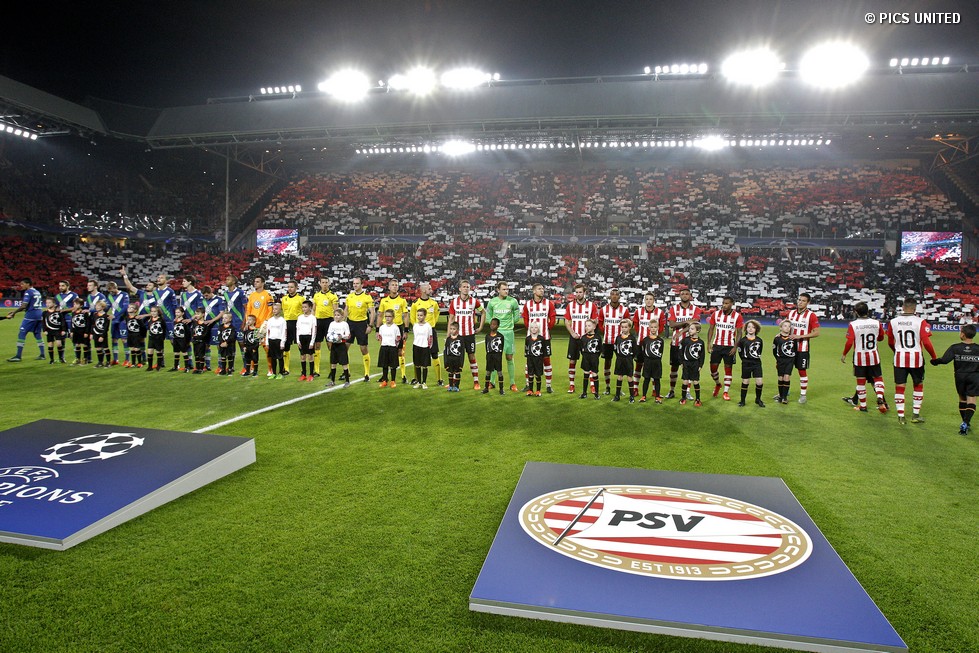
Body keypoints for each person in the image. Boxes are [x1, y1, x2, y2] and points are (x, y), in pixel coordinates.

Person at [886, 297, 937, 424]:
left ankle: (901, 416)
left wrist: (896, 351)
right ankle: (915, 415)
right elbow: (926, 342)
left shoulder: (893, 322)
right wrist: (933, 356)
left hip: (900, 358)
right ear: (915, 309)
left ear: (903, 307)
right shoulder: (920, 322)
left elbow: (890, 342)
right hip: (916, 359)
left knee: (900, 387)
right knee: (918, 385)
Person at [930, 323, 979, 435]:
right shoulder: (978, 348)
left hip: (960, 376)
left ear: (963, 334)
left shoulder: (955, 347)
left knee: (962, 399)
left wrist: (934, 361)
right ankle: (966, 422)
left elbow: (944, 360)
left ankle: (964, 422)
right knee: (971, 400)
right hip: (974, 376)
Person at [841, 302, 887, 414]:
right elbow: (881, 337)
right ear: (868, 311)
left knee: (861, 382)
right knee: (877, 379)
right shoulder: (876, 323)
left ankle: (863, 406)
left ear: (856, 312)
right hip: (873, 356)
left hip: (860, 357)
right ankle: (880, 397)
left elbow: (850, 341)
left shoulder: (853, 324)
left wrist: (844, 354)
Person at [448, 279, 485, 390]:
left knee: (471, 356)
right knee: (455, 358)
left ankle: (476, 382)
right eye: (464, 287)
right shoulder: (454, 302)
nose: (466, 288)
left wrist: (480, 327)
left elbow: (483, 312)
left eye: (467, 287)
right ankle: (453, 382)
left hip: (469, 335)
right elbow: (451, 319)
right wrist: (448, 335)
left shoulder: (474, 301)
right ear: (460, 288)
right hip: (457, 335)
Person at [666, 288, 702, 399]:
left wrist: (681, 330)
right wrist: (686, 322)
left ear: (690, 296)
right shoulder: (674, 309)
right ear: (679, 296)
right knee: (674, 368)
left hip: (690, 345)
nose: (685, 295)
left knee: (688, 369)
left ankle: (687, 392)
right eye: (682, 294)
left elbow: (694, 323)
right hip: (676, 343)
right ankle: (671, 391)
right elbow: (671, 324)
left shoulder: (696, 309)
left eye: (687, 294)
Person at [565, 283, 601, 394]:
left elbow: (595, 321)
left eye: (580, 292)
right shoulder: (570, 305)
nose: (578, 294)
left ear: (585, 293)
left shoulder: (591, 305)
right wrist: (572, 333)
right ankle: (572, 385)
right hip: (575, 337)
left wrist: (589, 332)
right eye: (577, 292)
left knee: (589, 361)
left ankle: (592, 385)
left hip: (588, 339)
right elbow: (567, 321)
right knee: (572, 360)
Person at [485, 281, 521, 392]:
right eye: (504, 289)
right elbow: (488, 316)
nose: (506, 291)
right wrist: (494, 326)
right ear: (498, 290)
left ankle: (512, 383)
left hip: (509, 333)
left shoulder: (513, 301)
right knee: (495, 358)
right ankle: (492, 382)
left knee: (509, 357)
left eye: (507, 289)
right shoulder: (492, 302)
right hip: (497, 334)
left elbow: (517, 316)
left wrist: (511, 323)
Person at [521, 283, 557, 393]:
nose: (542, 290)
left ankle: (548, 386)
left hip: (545, 338)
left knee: (546, 360)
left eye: (542, 289)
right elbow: (526, 321)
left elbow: (552, 319)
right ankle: (528, 384)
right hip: (531, 338)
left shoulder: (549, 304)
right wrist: (532, 331)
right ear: (534, 291)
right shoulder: (528, 304)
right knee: (529, 361)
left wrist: (546, 328)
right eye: (539, 289)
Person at [707, 296, 744, 401]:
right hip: (717, 345)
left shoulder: (737, 316)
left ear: (732, 304)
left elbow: (739, 333)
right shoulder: (715, 314)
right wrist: (709, 343)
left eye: (727, 303)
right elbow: (711, 329)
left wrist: (735, 347)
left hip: (729, 346)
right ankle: (718, 384)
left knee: (728, 369)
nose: (724, 305)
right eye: (723, 303)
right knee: (713, 369)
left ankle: (726, 392)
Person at [786, 292, 820, 404]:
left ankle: (803, 395)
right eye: (799, 300)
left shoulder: (811, 315)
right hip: (789, 347)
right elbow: (786, 327)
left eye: (803, 301)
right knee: (786, 370)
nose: (800, 302)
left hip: (802, 348)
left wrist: (800, 336)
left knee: (802, 371)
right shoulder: (791, 313)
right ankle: (784, 392)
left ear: (808, 303)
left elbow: (816, 333)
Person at [632, 291, 667, 401]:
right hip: (640, 343)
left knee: (654, 366)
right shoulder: (638, 311)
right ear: (644, 300)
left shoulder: (659, 312)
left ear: (654, 300)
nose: (648, 301)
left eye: (650, 299)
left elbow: (661, 327)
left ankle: (654, 390)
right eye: (646, 299)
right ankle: (635, 388)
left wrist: (655, 337)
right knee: (638, 366)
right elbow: (636, 325)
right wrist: (641, 336)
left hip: (654, 344)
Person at [377, 278, 411, 384]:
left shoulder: (402, 301)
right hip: (386, 329)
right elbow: (380, 315)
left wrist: (406, 330)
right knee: (385, 352)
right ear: (389, 287)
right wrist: (377, 330)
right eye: (393, 285)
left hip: (398, 328)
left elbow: (406, 316)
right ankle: (385, 377)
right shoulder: (384, 301)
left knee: (400, 352)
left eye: (396, 285)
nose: (395, 287)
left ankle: (403, 375)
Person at [5, 278, 45, 362]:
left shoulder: (28, 292)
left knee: (22, 333)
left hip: (31, 316)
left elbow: (24, 306)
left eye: (22, 284)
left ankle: (18, 356)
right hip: (39, 315)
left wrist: (14, 312)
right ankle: (42, 354)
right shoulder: (36, 291)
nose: (21, 286)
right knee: (37, 334)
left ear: (28, 284)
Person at [344, 276, 376, 383]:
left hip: (362, 324)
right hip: (350, 324)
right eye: (354, 283)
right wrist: (342, 323)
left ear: (362, 285)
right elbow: (346, 310)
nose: (355, 285)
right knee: (345, 348)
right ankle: (346, 371)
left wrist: (370, 325)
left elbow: (372, 312)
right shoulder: (350, 296)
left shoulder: (367, 297)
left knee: (363, 349)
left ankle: (367, 373)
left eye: (357, 283)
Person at [410, 282, 442, 386]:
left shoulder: (434, 303)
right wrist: (419, 327)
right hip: (420, 332)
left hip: (431, 330)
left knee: (434, 354)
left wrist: (431, 324)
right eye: (429, 288)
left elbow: (436, 315)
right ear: (423, 290)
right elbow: (412, 318)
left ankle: (439, 379)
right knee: (418, 356)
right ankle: (417, 379)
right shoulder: (416, 304)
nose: (431, 290)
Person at [600, 288, 630, 395]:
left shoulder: (624, 310)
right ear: (610, 296)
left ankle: (619, 389)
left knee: (621, 364)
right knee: (607, 363)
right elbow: (600, 323)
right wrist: (605, 332)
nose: (614, 296)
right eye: (612, 294)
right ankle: (607, 387)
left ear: (619, 296)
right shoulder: (604, 309)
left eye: (616, 294)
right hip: (607, 341)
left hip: (620, 342)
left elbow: (628, 324)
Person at [247, 275, 276, 374]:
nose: (255, 283)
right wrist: (248, 322)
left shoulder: (267, 295)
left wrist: (266, 321)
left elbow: (270, 310)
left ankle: (270, 368)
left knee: (266, 348)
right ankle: (252, 368)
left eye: (257, 282)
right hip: (253, 327)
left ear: (263, 283)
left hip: (263, 326)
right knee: (252, 348)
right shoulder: (252, 295)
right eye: (255, 281)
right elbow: (248, 310)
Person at [312, 277, 339, 378]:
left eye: (326, 282)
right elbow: (313, 310)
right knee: (317, 345)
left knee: (330, 346)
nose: (324, 284)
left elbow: (336, 311)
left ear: (329, 283)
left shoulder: (333, 296)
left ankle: (332, 370)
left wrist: (336, 324)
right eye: (323, 282)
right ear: (320, 283)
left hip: (329, 322)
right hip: (318, 321)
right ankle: (316, 370)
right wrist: (312, 321)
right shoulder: (316, 295)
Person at [737, 319, 765, 408]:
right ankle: (742, 401)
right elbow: (740, 352)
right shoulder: (742, 341)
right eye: (749, 327)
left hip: (756, 363)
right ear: (746, 328)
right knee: (745, 382)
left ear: (756, 329)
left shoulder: (759, 340)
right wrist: (745, 360)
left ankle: (758, 399)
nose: (750, 329)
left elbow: (760, 351)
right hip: (746, 363)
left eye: (753, 327)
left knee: (759, 382)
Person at [280, 280, 305, 377]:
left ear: (296, 288)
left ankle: (303, 370)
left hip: (298, 323)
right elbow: (283, 311)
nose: (290, 289)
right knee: (286, 346)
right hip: (287, 323)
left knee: (301, 346)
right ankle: (286, 368)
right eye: (288, 287)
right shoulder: (284, 299)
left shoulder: (301, 299)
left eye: (292, 287)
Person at [679, 322, 706, 406]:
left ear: (698, 330)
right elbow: (680, 351)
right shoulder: (685, 340)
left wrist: (700, 365)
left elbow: (702, 355)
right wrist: (681, 362)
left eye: (692, 329)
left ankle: (698, 399)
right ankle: (683, 398)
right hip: (686, 363)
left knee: (695, 381)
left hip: (695, 364)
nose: (689, 330)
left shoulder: (701, 342)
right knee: (685, 381)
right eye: (689, 328)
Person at [190, 306, 222, 374]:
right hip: (195, 341)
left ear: (203, 314)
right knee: (196, 355)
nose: (196, 315)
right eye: (195, 314)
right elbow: (193, 331)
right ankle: (197, 368)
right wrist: (193, 337)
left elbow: (206, 332)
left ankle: (201, 369)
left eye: (198, 314)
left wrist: (201, 337)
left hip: (202, 342)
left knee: (201, 355)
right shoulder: (194, 322)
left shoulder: (206, 323)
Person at [638, 324, 665, 404]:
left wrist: (657, 360)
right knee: (646, 379)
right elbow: (643, 352)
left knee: (657, 379)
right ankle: (643, 396)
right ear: (649, 328)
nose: (653, 329)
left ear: (658, 328)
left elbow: (661, 352)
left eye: (655, 327)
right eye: (652, 327)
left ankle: (657, 397)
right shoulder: (645, 340)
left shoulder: (660, 340)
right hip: (647, 362)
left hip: (657, 362)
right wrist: (645, 360)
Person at [772, 319, 797, 405]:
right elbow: (774, 351)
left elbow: (795, 350)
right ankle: (781, 395)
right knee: (781, 378)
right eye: (785, 326)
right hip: (780, 361)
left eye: (789, 326)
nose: (787, 328)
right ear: (781, 328)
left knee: (787, 377)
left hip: (790, 361)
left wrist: (793, 359)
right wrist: (778, 359)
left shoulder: (792, 338)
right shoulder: (777, 338)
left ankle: (784, 397)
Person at [612, 319, 637, 403]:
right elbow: (615, 348)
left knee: (629, 377)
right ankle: (617, 396)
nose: (624, 329)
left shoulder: (632, 338)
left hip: (628, 360)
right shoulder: (618, 338)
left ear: (629, 327)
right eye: (622, 327)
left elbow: (635, 350)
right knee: (619, 376)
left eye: (626, 327)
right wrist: (619, 356)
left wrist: (629, 357)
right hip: (619, 360)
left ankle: (632, 396)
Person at [105, 281, 130, 365]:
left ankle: (127, 360)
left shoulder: (124, 295)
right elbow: (107, 307)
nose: (111, 292)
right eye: (109, 291)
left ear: (116, 287)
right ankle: (115, 359)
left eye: (112, 290)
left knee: (124, 339)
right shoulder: (110, 296)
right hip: (114, 321)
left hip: (123, 320)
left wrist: (115, 315)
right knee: (114, 339)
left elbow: (125, 308)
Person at [325, 308, 351, 387]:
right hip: (334, 346)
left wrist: (341, 336)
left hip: (341, 346)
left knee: (344, 364)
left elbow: (348, 335)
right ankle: (332, 381)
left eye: (338, 315)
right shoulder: (332, 324)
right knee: (333, 363)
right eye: (335, 315)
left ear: (342, 316)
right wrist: (329, 338)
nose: (336, 317)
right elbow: (329, 333)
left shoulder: (344, 324)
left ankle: (347, 381)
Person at [202, 286, 225, 371]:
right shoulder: (203, 300)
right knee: (206, 345)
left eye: (207, 295)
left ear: (211, 292)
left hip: (216, 326)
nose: (206, 297)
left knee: (219, 345)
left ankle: (220, 366)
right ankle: (207, 365)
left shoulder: (219, 300)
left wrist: (212, 320)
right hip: (206, 326)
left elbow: (221, 313)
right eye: (204, 295)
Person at [579, 318, 603, 400]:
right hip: (585, 358)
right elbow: (581, 348)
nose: (587, 327)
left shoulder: (597, 337)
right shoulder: (583, 337)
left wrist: (595, 356)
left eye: (589, 326)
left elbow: (600, 349)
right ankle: (584, 393)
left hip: (594, 358)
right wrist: (585, 355)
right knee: (586, 373)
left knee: (594, 374)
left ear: (594, 327)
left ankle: (596, 394)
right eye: (586, 326)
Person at [376, 309, 401, 387]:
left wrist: (395, 347)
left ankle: (393, 381)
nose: (387, 318)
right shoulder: (382, 327)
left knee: (393, 366)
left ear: (393, 317)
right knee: (384, 365)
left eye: (389, 316)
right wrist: (382, 344)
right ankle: (384, 380)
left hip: (392, 348)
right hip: (384, 347)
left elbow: (398, 338)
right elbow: (380, 337)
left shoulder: (395, 328)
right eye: (386, 316)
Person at [263, 303, 287, 379]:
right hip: (271, 340)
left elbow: (284, 332)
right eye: (273, 309)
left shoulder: (282, 320)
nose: (274, 310)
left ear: (280, 310)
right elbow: (268, 332)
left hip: (279, 340)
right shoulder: (270, 320)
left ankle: (281, 373)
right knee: (273, 358)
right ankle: (273, 373)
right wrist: (267, 342)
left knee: (280, 357)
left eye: (276, 309)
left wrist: (282, 342)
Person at [482, 318, 505, 395]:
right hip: (489, 356)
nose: (492, 325)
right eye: (491, 324)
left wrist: (499, 356)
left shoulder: (500, 336)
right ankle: (486, 388)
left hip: (497, 356)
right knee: (488, 372)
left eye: (494, 324)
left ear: (498, 326)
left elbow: (501, 348)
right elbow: (486, 347)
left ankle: (501, 389)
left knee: (499, 372)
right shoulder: (487, 336)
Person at [411, 307, 433, 389]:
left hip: (425, 347)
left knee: (424, 366)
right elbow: (415, 336)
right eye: (418, 315)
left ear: (425, 316)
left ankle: (424, 382)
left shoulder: (428, 326)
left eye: (421, 315)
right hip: (416, 346)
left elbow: (430, 337)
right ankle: (418, 382)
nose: (419, 317)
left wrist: (428, 347)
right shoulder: (415, 326)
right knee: (417, 365)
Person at [296, 299, 317, 381]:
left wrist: (312, 342)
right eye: (303, 307)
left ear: (310, 308)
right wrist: (298, 340)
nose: (304, 309)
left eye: (305, 307)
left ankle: (311, 374)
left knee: (310, 356)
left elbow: (314, 331)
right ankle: (304, 374)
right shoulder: (300, 317)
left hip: (309, 337)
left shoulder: (313, 318)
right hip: (301, 337)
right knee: (302, 356)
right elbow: (297, 329)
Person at [41, 296, 67, 364]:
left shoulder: (58, 312)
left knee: (59, 344)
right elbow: (43, 322)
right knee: (50, 345)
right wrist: (44, 330)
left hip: (57, 330)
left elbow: (62, 321)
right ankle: (51, 360)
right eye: (46, 303)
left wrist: (63, 330)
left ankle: (61, 358)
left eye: (49, 303)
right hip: (49, 331)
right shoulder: (45, 313)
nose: (47, 304)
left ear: (54, 304)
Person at [443, 321, 465, 392]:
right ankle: (450, 385)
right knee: (450, 372)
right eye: (451, 329)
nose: (452, 330)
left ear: (457, 330)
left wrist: (461, 363)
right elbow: (445, 351)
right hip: (450, 358)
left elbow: (462, 352)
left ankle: (456, 386)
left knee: (457, 372)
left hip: (457, 359)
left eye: (454, 329)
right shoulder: (448, 339)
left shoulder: (461, 339)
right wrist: (445, 362)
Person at [524, 322, 545, 397]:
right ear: (530, 328)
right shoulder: (528, 339)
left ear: (538, 328)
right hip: (530, 359)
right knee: (530, 374)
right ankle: (530, 390)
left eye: (536, 327)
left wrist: (542, 358)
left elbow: (544, 349)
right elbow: (526, 348)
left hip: (539, 360)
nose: (534, 329)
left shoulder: (541, 339)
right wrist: (527, 355)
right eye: (532, 327)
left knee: (538, 375)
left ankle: (538, 390)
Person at [169, 307, 192, 371]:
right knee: (176, 353)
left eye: (178, 312)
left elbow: (188, 332)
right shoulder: (175, 321)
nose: (177, 314)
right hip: (176, 339)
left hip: (182, 339)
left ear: (182, 313)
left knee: (184, 352)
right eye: (176, 312)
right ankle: (175, 367)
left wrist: (187, 341)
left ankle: (187, 367)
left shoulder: (184, 321)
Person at [69, 298, 91, 365]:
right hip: (76, 331)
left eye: (76, 304)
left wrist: (86, 332)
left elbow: (88, 323)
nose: (75, 305)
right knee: (77, 344)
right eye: (74, 304)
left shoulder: (84, 313)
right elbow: (72, 322)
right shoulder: (73, 313)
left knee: (84, 345)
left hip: (83, 331)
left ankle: (85, 359)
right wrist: (72, 331)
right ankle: (78, 359)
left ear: (81, 305)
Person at [216, 312, 238, 376]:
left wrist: (226, 342)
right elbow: (219, 336)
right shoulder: (220, 327)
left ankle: (230, 370)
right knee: (223, 357)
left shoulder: (232, 327)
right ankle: (223, 370)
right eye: (223, 318)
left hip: (230, 345)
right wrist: (222, 342)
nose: (224, 319)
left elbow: (232, 336)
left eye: (226, 318)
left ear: (230, 319)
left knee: (230, 357)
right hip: (222, 344)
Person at [90, 301, 111, 367]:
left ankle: (108, 362)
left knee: (105, 348)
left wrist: (102, 336)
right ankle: (100, 362)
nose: (96, 307)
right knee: (98, 348)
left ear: (103, 307)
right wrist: (91, 333)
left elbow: (106, 328)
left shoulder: (106, 316)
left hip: (103, 334)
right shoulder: (95, 315)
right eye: (96, 305)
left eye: (98, 306)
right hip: (96, 334)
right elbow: (93, 324)